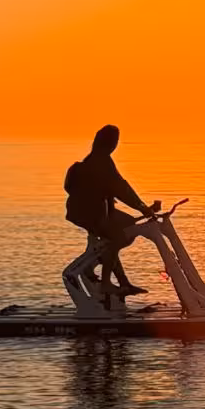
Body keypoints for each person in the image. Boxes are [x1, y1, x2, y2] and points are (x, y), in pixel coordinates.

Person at [64, 124, 160, 295]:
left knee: (127, 226)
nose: (116, 144)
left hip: (92, 211)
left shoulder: (97, 158)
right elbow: (121, 188)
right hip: (89, 214)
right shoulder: (100, 161)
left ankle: (123, 283)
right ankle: (105, 282)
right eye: (115, 141)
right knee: (118, 238)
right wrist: (142, 207)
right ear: (109, 142)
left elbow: (120, 187)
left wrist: (143, 207)